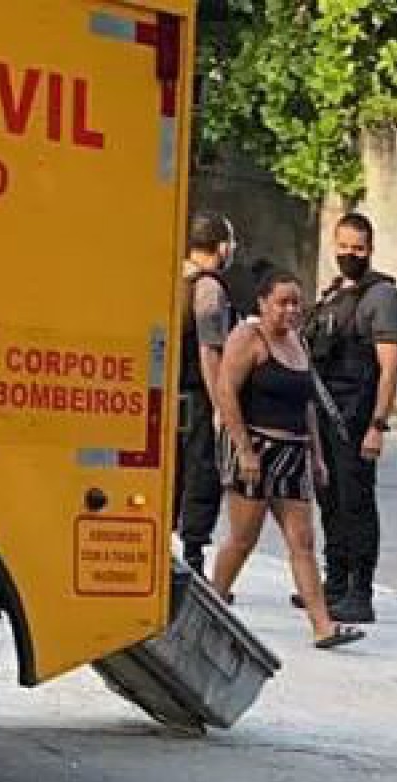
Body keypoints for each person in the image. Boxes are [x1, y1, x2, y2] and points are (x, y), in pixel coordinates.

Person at [208, 270, 364, 651]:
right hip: (256, 450)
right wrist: (243, 449)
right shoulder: (249, 338)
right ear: (263, 303)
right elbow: (226, 391)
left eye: (296, 302)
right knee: (243, 538)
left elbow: (307, 403)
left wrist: (317, 455)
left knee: (303, 541)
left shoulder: (298, 344)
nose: (291, 310)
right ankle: (213, 601)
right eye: (283, 302)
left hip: (294, 453)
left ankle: (322, 625)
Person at [303, 212, 397, 625]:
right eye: (343, 247)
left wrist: (378, 424)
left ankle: (359, 592)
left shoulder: (381, 297)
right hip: (326, 415)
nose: (350, 255)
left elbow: (391, 366)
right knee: (330, 500)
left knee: (356, 504)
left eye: (358, 249)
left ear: (371, 249)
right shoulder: (333, 294)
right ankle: (335, 583)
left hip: (357, 416)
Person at [175, 212, 237, 575]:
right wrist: (221, 406)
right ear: (223, 247)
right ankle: (194, 557)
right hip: (198, 395)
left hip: (172, 394)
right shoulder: (209, 288)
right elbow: (210, 351)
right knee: (202, 473)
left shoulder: (174, 277)